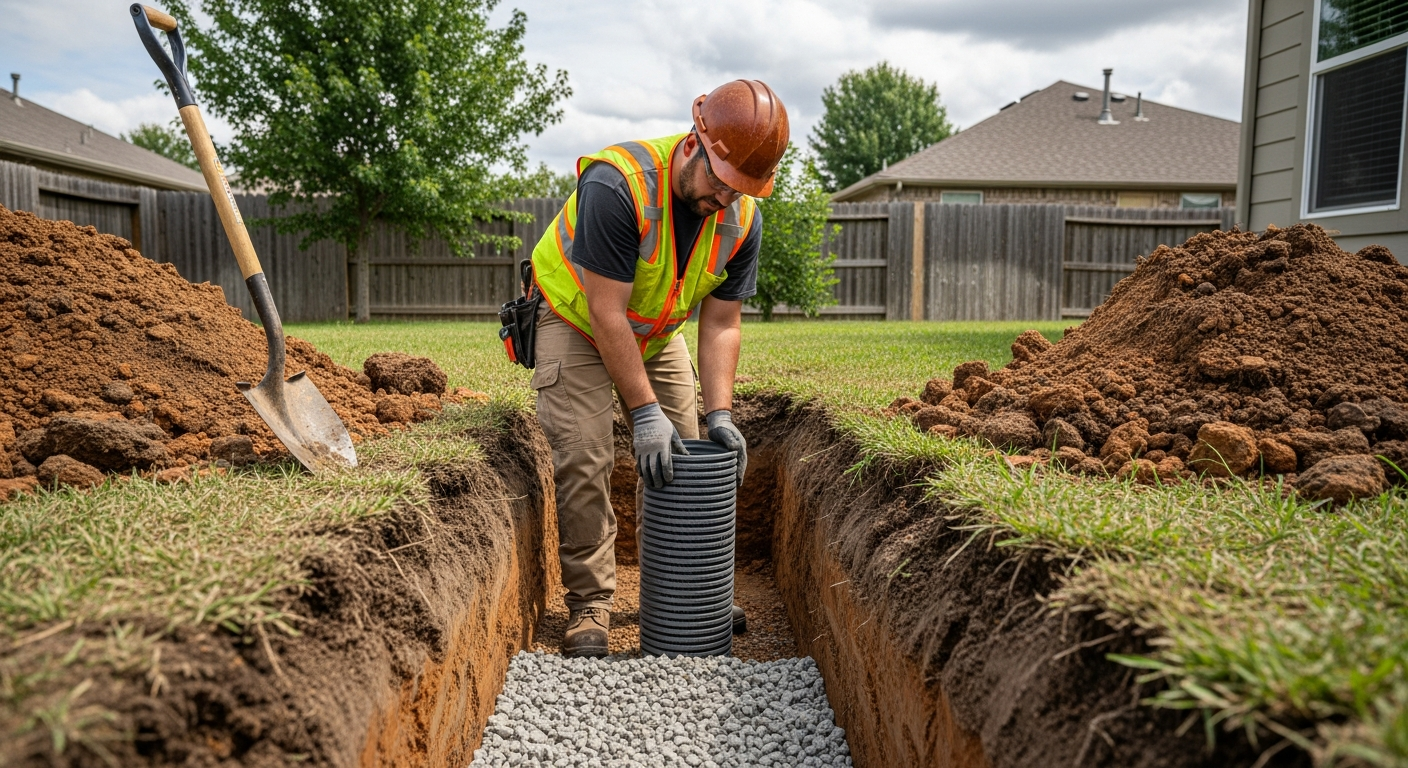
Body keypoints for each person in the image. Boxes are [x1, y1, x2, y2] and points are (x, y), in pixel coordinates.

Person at [527, 80, 789, 657]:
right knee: (586, 453)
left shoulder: (742, 220)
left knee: (686, 452)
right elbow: (605, 312)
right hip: (575, 320)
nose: (724, 199)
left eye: (740, 190)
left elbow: (721, 324)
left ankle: (683, 594)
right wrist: (644, 412)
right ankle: (591, 603)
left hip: (650, 329)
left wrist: (720, 413)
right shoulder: (617, 184)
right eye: (720, 183)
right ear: (695, 144)